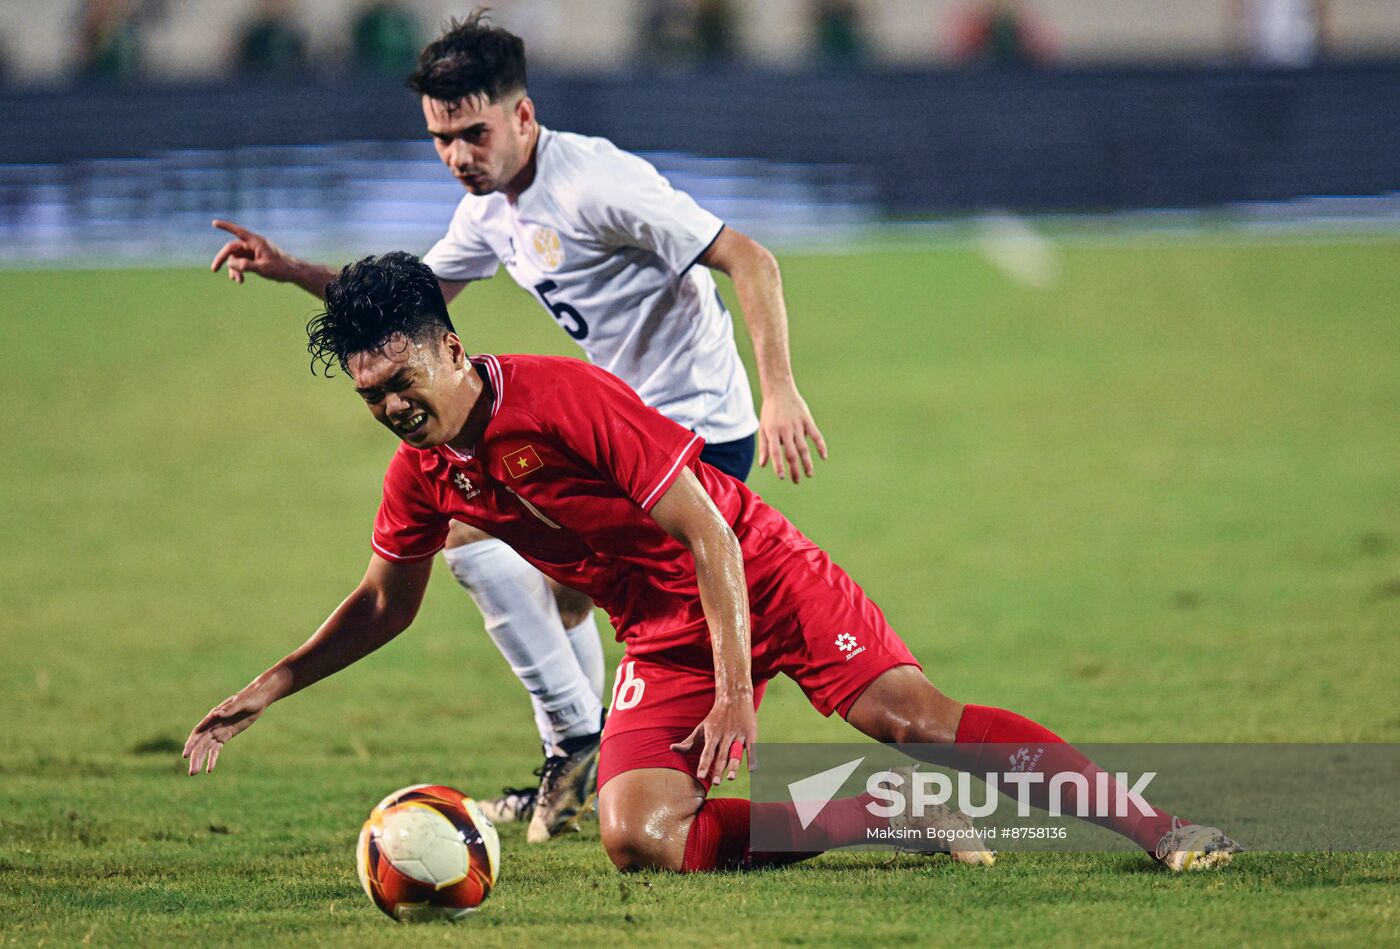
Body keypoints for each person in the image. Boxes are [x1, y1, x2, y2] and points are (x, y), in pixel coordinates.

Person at [184, 253, 1241, 876]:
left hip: (755, 570)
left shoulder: (565, 401)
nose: (391, 409)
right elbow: (382, 605)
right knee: (637, 836)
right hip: (660, 625)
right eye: (370, 397)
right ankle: (870, 814)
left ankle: (1157, 827)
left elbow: (710, 536)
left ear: (448, 347)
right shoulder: (425, 474)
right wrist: (264, 690)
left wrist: (736, 695)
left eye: (400, 380)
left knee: (911, 720)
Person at [207, 11, 826, 844]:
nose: (458, 155)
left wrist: (777, 390)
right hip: (610, 433)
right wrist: (291, 272)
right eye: (440, 139)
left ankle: (586, 746)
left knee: (483, 536)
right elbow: (403, 315)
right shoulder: (490, 210)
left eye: (473, 132)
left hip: (691, 433)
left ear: (523, 117)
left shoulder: (596, 183)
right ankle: (587, 755)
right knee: (545, 573)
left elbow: (749, 257)